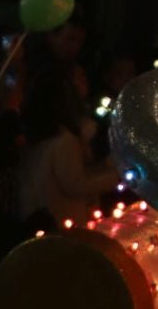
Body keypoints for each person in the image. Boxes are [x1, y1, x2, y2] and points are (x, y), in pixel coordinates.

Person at [15, 62, 117, 227]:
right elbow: (75, 184)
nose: (85, 82)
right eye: (78, 78)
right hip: (63, 222)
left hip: (43, 219)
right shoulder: (64, 140)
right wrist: (117, 176)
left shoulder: (39, 136)